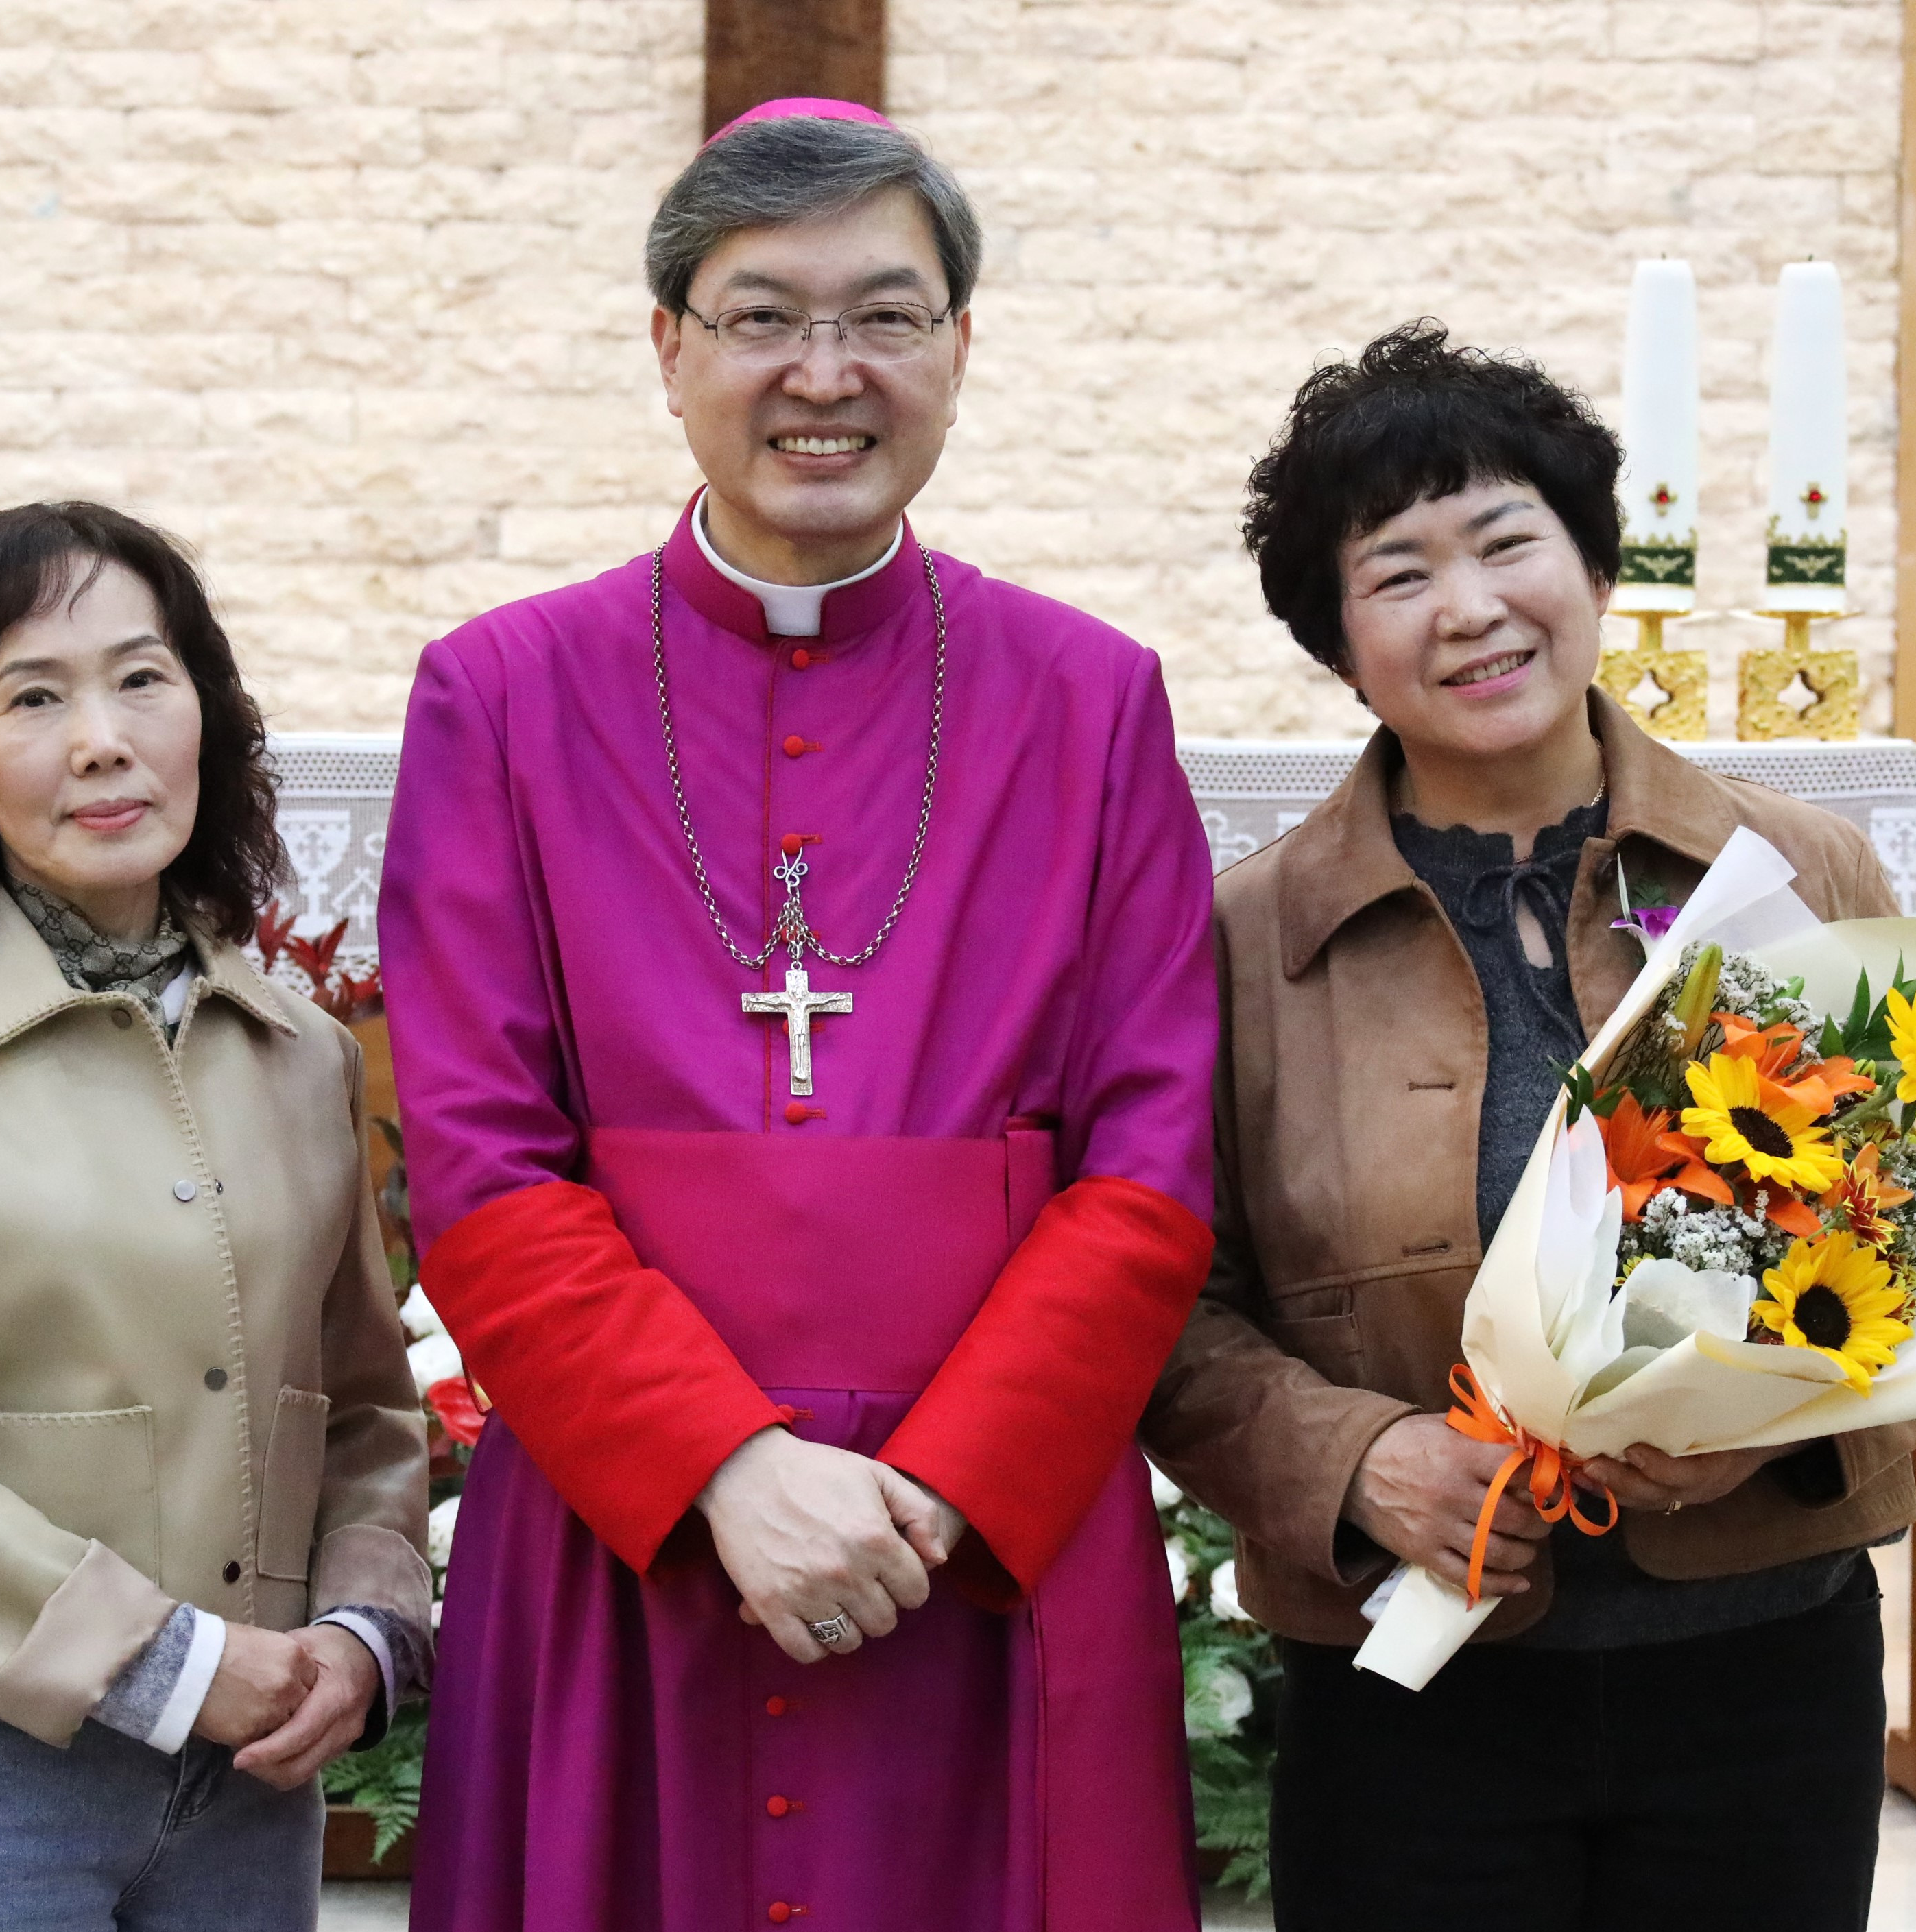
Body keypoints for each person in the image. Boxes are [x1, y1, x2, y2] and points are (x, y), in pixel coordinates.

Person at [379, 100, 1217, 1932]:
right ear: (668, 345)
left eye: (885, 318)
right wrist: (724, 1466)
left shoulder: (1089, 701)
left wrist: (944, 1489)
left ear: (960, 347)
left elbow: (1152, 1164)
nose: (824, 375)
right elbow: (478, 1161)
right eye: (761, 316)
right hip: (628, 1529)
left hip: (984, 1540)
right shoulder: (502, 697)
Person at [1138, 324, 1916, 1932]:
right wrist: (1359, 1458)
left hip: (1763, 1659)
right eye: (1400, 571)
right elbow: (1167, 1296)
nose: (1472, 606)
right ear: (1339, 644)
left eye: (1509, 541)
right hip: (1412, 1677)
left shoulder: (1800, 872)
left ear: (1594, 563)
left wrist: (1778, 1411)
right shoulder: (1239, 940)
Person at [0, 501, 436, 1932]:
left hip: (252, 1790)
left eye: (141, 678)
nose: (103, 740)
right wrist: (173, 1662)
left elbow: (367, 1412)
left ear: (207, 715)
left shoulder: (302, 1054)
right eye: (34, 697)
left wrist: (363, 1632)